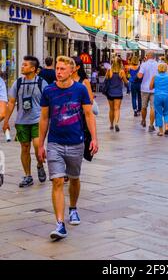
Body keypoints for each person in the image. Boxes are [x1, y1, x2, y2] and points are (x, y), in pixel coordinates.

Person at [38, 56, 98, 241]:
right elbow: (44, 118)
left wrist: (94, 138)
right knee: (57, 181)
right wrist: (40, 144)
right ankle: (59, 224)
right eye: (57, 68)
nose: (58, 71)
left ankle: (73, 208)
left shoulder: (80, 89)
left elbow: (88, 114)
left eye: (63, 68)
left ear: (71, 71)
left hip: (76, 142)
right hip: (55, 143)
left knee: (74, 178)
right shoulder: (48, 90)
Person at [3, 56, 48, 187]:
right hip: (22, 121)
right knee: (24, 148)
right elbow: (11, 103)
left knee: (36, 145)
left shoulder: (41, 83)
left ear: (33, 68)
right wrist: (6, 122)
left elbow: (47, 103)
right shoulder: (18, 83)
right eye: (22, 65)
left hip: (37, 120)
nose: (22, 67)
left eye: (25, 65)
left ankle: (40, 165)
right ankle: (28, 176)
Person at [150, 63, 168, 136]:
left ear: (158, 69)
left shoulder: (155, 77)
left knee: (158, 113)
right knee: (167, 112)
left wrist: (156, 85)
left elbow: (150, 87)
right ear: (166, 69)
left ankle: (161, 131)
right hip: (167, 96)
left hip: (157, 96)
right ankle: (166, 128)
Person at [105, 57, 128, 132]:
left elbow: (106, 79)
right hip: (118, 93)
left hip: (110, 93)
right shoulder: (121, 71)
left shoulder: (109, 70)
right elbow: (125, 82)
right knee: (117, 109)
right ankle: (116, 123)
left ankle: (111, 124)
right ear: (120, 63)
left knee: (111, 109)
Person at [137, 52, 158, 132]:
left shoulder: (144, 64)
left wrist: (137, 74)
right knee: (153, 107)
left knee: (144, 106)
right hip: (154, 88)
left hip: (145, 88)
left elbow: (140, 76)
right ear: (154, 57)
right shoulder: (158, 64)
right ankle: (151, 125)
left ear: (147, 57)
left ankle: (143, 120)